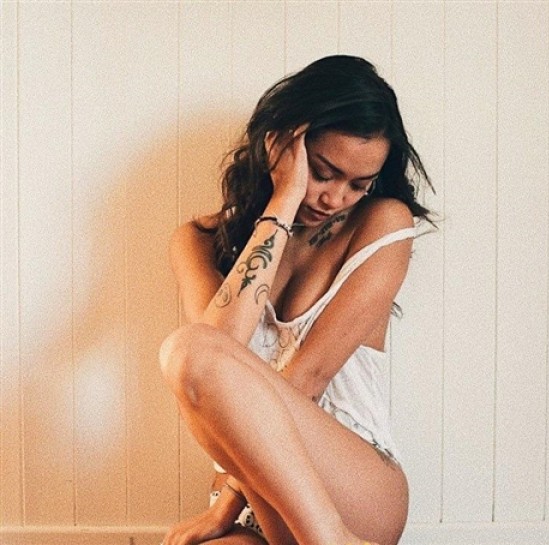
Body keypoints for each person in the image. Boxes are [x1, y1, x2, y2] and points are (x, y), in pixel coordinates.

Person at [159, 55, 435, 545]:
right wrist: (283, 201)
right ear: (283, 146)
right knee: (191, 352)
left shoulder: (382, 223)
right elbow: (214, 361)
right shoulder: (198, 241)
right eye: (323, 173)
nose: (335, 198)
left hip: (352, 488)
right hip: (257, 497)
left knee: (186, 348)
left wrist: (226, 504)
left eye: (358, 185)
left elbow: (307, 380)